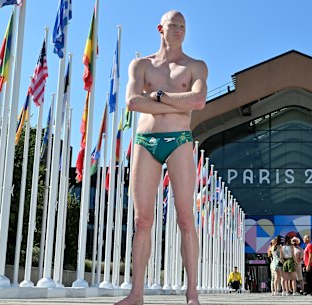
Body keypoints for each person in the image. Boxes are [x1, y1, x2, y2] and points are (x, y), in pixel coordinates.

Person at [115, 10, 208, 305]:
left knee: (184, 218)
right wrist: (175, 104)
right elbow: (131, 101)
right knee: (142, 220)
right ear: (160, 29)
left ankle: (192, 294)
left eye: (183, 26)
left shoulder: (195, 66)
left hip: (179, 141)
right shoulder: (142, 65)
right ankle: (136, 293)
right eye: (173, 25)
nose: (179, 30)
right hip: (145, 142)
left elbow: (199, 101)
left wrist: (157, 98)